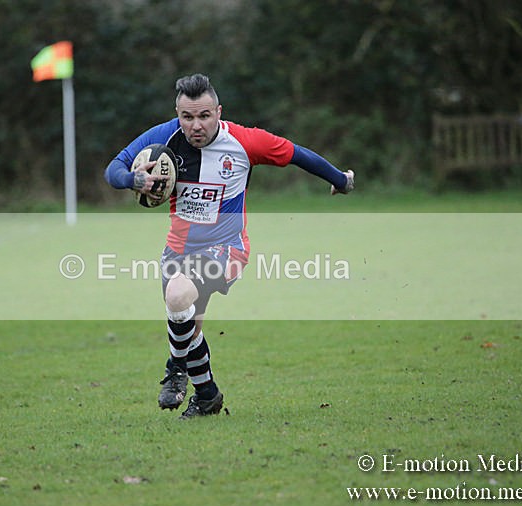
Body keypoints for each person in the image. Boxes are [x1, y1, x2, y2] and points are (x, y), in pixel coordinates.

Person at [104, 73, 355, 419]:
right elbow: (113, 168)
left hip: (227, 249)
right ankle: (206, 396)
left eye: (204, 116)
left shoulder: (244, 141)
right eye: (187, 117)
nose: (195, 126)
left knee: (178, 298)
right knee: (187, 324)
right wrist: (135, 179)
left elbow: (297, 154)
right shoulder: (165, 137)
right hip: (177, 250)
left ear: (218, 112)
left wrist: (340, 180)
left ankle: (175, 369)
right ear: (177, 114)